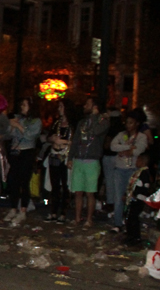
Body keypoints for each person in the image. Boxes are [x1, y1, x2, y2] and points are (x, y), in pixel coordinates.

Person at [67, 97, 109, 228]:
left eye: (88, 104)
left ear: (95, 106)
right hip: (79, 159)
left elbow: (95, 131)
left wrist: (96, 117)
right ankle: (77, 218)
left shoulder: (103, 121)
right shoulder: (82, 123)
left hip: (92, 160)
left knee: (90, 192)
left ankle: (89, 219)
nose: (85, 105)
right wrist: (70, 157)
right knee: (78, 191)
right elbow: (75, 141)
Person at [109, 110, 148, 232]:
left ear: (136, 124)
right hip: (120, 170)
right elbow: (113, 146)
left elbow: (138, 150)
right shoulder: (121, 135)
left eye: (131, 123)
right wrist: (128, 147)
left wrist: (130, 150)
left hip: (133, 170)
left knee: (131, 197)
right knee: (118, 197)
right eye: (127, 122)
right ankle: (117, 223)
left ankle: (130, 222)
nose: (128, 125)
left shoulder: (142, 137)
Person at [5, 98, 41, 226]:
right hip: (15, 152)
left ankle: (23, 210)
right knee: (13, 180)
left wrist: (18, 126)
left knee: (24, 181)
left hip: (27, 152)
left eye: (24, 105)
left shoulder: (36, 121)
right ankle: (13, 208)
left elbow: (30, 135)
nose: (22, 107)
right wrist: (11, 125)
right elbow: (9, 135)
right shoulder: (18, 118)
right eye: (21, 104)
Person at [44, 99, 73, 223]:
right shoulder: (56, 123)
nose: (59, 109)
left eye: (61, 106)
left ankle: (63, 213)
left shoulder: (72, 125)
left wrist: (63, 142)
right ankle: (53, 211)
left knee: (65, 185)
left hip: (65, 156)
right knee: (54, 185)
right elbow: (48, 137)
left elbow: (75, 141)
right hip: (54, 155)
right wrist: (53, 139)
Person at [123, 152, 151, 245]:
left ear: (142, 161)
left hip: (138, 200)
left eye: (138, 160)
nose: (136, 162)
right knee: (130, 217)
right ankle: (130, 236)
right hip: (133, 198)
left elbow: (144, 187)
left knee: (133, 218)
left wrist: (136, 195)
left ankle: (135, 237)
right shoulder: (138, 172)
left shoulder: (144, 173)